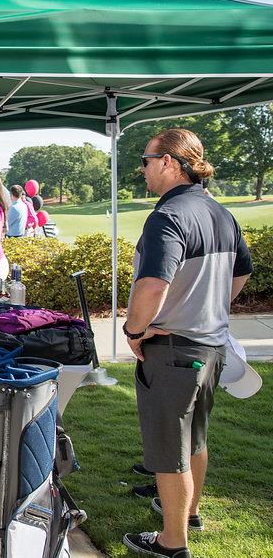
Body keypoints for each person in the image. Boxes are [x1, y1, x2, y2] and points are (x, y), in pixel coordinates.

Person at [121, 129, 252, 558]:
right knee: (194, 436)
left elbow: (153, 283)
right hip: (211, 346)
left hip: (176, 348)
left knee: (168, 445)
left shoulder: (168, 215)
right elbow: (240, 276)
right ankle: (189, 512)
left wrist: (135, 331)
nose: (141, 169)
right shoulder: (221, 213)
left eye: (146, 160)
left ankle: (172, 541)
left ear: (170, 163)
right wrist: (206, 305)